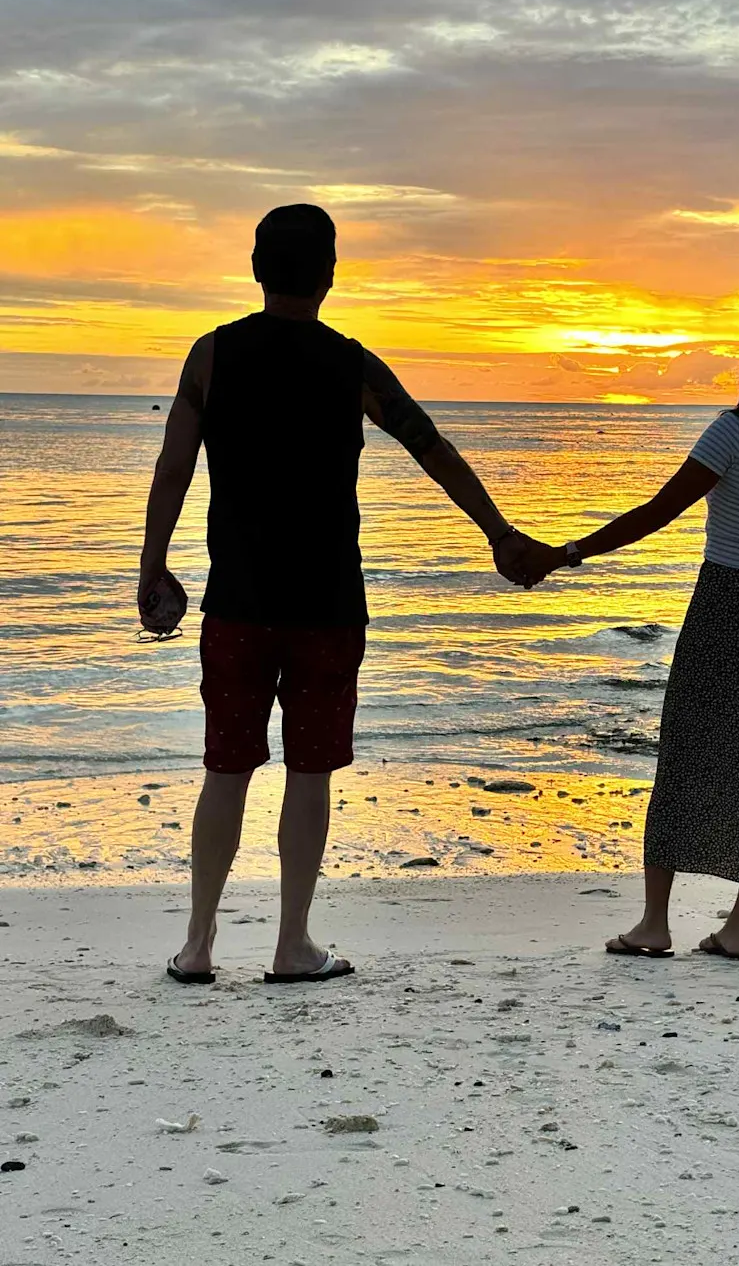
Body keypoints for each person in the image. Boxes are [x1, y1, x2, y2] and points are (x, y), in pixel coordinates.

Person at [138, 204, 534, 985]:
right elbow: (432, 448)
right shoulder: (352, 365)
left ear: (255, 267)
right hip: (326, 607)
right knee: (308, 772)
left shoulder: (211, 357)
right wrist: (497, 532)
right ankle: (292, 944)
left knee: (225, 769)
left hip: (238, 602)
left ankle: (198, 946)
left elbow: (172, 469)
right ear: (328, 275)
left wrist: (151, 567)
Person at [521, 308, 739, 960]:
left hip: (725, 603)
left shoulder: (733, 434)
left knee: (687, 754)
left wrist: (566, 553)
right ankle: (738, 927)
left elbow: (656, 512)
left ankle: (655, 922)